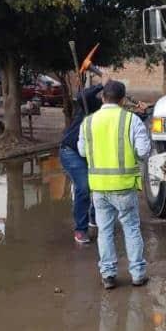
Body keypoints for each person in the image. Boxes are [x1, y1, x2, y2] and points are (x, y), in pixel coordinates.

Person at [78, 80, 151, 289]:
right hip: (125, 186)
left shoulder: (88, 122)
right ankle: (138, 274)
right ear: (122, 99)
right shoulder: (132, 121)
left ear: (103, 98)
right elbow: (143, 151)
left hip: (99, 187)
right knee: (131, 229)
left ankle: (108, 275)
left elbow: (83, 152)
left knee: (105, 231)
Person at [60, 76, 105, 244]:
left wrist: (144, 112)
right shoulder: (91, 106)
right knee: (84, 187)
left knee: (97, 184)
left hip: (91, 153)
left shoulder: (111, 112)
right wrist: (100, 84)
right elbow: (81, 97)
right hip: (71, 151)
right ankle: (80, 229)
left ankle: (93, 218)